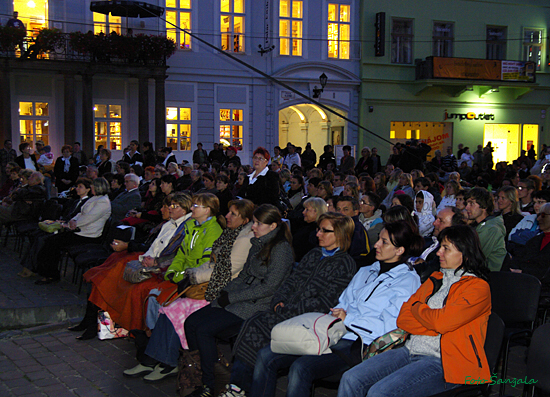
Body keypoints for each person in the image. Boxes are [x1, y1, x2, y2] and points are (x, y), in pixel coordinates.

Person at [249, 220, 423, 397]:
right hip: (333, 331)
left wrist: (349, 319)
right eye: (378, 239)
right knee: (266, 355)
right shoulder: (367, 270)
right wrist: (338, 317)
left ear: (399, 250)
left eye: (384, 242)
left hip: (360, 342)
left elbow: (390, 326)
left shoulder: (408, 282)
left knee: (301, 368)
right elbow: (343, 301)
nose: (376, 244)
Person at [338, 224, 491, 397]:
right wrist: (432, 323)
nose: (438, 252)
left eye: (446, 248)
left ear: (465, 253)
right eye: (440, 247)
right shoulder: (435, 278)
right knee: (351, 378)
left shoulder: (477, 288)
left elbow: (440, 323)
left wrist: (418, 309)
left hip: (445, 362)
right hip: (409, 349)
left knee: (379, 393)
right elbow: (403, 319)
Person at [220, 212, 357, 397]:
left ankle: (240, 387)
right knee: (252, 324)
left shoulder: (344, 264)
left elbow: (325, 302)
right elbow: (291, 281)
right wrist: (279, 300)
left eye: (325, 231)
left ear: (340, 234)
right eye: (318, 229)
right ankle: (239, 386)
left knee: (256, 329)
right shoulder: (314, 253)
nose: (318, 234)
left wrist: (289, 310)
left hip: (305, 322)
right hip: (286, 312)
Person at [122, 199, 255, 381]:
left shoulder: (241, 238)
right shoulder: (223, 233)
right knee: (166, 307)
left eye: (233, 213)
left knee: (172, 309)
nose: (227, 216)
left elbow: (221, 269)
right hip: (203, 282)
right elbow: (185, 255)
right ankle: (153, 360)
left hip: (219, 289)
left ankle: (165, 363)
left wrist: (190, 276)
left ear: (245, 220)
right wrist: (177, 273)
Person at [183, 204, 294, 397]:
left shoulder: (281, 250)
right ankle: (203, 372)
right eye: (254, 222)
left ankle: (209, 384)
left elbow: (269, 287)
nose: (254, 227)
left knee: (203, 330)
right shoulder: (258, 243)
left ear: (273, 226)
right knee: (191, 322)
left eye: (259, 223)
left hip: (258, 305)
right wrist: (223, 293)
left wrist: (231, 297)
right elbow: (244, 275)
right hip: (240, 298)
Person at [34, 177, 111, 285]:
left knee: (52, 243)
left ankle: (50, 274)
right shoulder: (95, 198)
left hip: (88, 235)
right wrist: (73, 220)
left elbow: (89, 218)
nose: (92, 188)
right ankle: (47, 271)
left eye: (93, 187)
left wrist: (72, 225)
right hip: (80, 230)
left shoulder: (103, 202)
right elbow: (81, 213)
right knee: (51, 242)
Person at [465, 187, 506, 271]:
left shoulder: (491, 229)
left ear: (484, 206)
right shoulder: (479, 225)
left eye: (471, 204)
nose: (467, 208)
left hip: (487, 275)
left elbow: (474, 257)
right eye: (467, 204)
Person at [335, 196, 370, 267]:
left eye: (345, 209)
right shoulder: (333, 226)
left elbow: (361, 256)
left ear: (355, 212)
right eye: (338, 209)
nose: (340, 213)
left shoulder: (357, 230)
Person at [292, 197, 326, 261]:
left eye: (307, 210)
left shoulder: (318, 231)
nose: (303, 212)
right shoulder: (303, 225)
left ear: (317, 211)